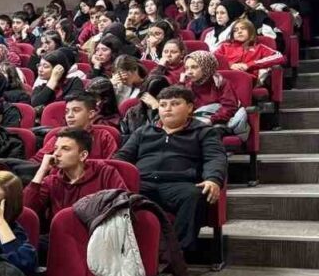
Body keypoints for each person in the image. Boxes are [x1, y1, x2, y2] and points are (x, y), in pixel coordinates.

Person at [113, 85, 228, 251]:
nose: (167, 109)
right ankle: (125, 250)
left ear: (189, 107)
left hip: (179, 184)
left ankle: (176, 253)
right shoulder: (143, 131)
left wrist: (213, 179)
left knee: (194, 195)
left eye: (175, 104)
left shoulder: (204, 132)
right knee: (116, 195)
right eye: (163, 105)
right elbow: (122, 157)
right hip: (144, 182)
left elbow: (215, 157)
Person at [24, 130, 128, 228]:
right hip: (61, 234)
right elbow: (27, 212)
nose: (56, 154)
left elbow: (123, 207)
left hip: (99, 234)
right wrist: (42, 170)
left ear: (83, 155)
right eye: (55, 148)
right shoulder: (51, 181)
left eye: (65, 149)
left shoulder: (106, 173)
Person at [36, 94, 120, 159]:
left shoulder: (103, 136)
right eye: (67, 112)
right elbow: (37, 160)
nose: (69, 115)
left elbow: (112, 164)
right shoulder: (60, 136)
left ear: (91, 114)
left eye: (76, 110)